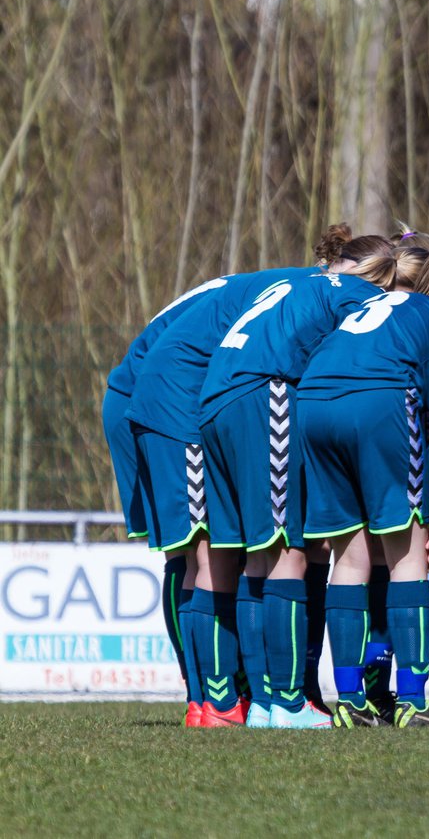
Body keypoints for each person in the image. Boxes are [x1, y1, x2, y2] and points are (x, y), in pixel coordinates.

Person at [126, 225, 391, 726]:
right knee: (266, 549)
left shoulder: (287, 285)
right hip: (199, 396)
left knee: (224, 553)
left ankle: (217, 702)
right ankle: (273, 701)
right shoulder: (354, 295)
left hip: (200, 394)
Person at [197, 251, 398, 729]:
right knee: (290, 551)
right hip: (264, 394)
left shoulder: (295, 286)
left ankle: (266, 703)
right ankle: (288, 703)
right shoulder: (364, 296)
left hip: (214, 401)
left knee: (256, 556)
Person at [298, 247, 429, 728]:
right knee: (407, 554)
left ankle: (349, 699)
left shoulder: (372, 305)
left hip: (313, 399)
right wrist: (428, 508)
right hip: (380, 396)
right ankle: (412, 700)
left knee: (349, 555)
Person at [104, 274, 237, 722]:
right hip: (159, 403)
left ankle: (200, 696)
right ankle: (211, 696)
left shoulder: (240, 287)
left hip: (134, 396)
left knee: (182, 555)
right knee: (202, 549)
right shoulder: (294, 294)